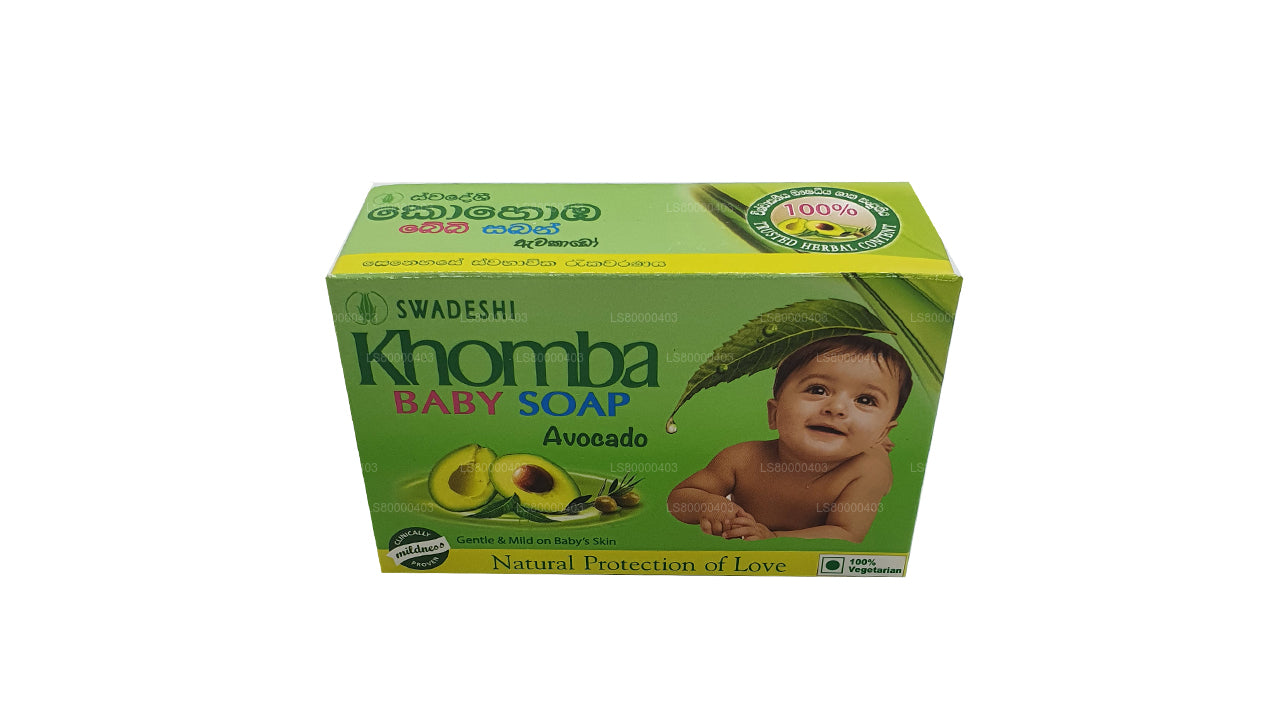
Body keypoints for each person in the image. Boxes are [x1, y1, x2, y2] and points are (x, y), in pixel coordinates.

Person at [667, 335, 912, 542]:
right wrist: (708, 504)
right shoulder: (742, 458)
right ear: (774, 414)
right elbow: (679, 499)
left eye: (865, 400)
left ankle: (880, 448)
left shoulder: (866, 473)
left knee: (877, 461)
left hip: (870, 460)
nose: (836, 408)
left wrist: (774, 538)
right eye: (817, 390)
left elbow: (846, 533)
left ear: (883, 430)